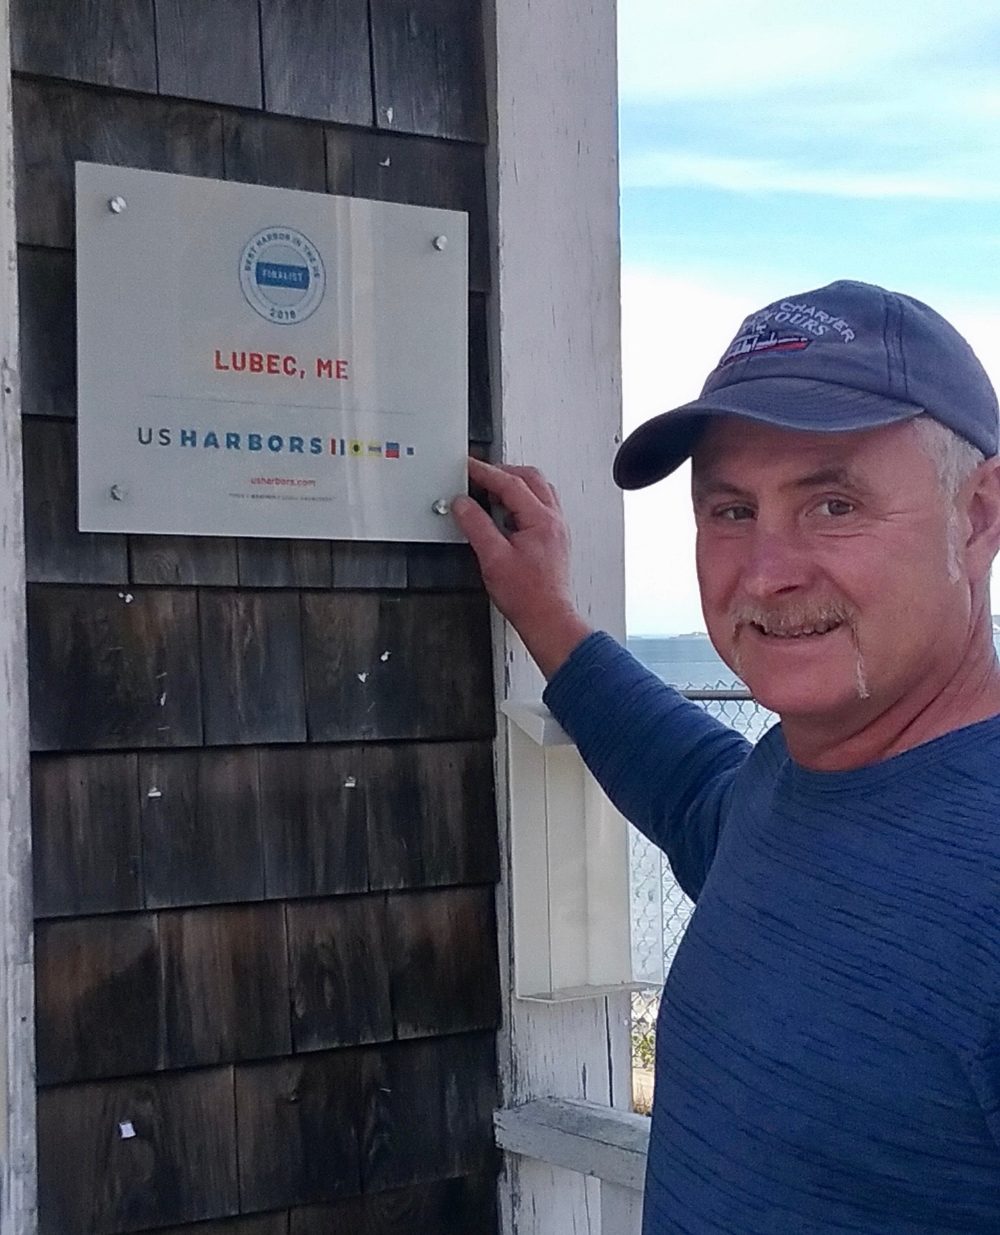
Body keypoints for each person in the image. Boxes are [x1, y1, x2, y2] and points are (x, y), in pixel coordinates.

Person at [451, 280, 1000, 1234]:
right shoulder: (787, 786)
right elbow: (688, 783)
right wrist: (544, 607)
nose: (766, 571)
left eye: (833, 503)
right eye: (731, 510)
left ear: (979, 515)